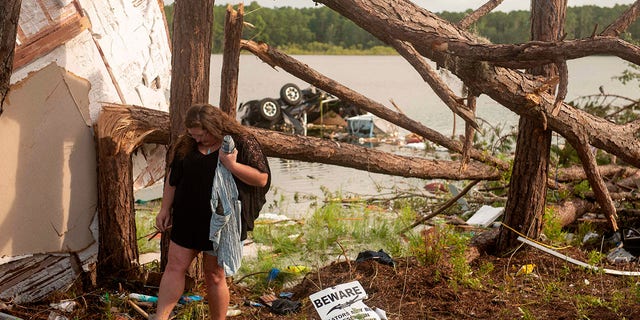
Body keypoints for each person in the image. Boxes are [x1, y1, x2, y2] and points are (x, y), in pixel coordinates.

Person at [154, 103, 270, 320]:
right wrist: (164, 209)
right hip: (187, 217)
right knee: (174, 267)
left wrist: (232, 165)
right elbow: (173, 178)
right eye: (193, 135)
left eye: (200, 135)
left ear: (214, 128)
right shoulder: (186, 144)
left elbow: (261, 179)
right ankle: (160, 318)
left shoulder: (240, 142)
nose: (197, 140)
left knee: (215, 275)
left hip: (221, 221)